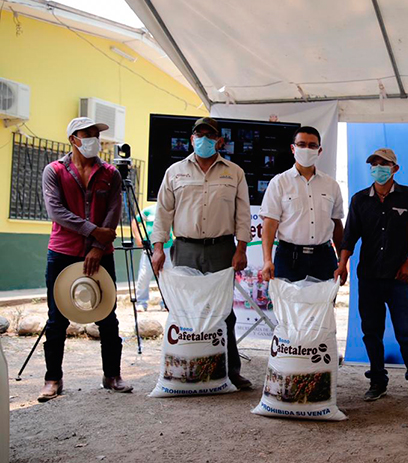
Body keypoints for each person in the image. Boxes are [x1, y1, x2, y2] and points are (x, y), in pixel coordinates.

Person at [151, 117, 252, 390]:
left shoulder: (234, 172)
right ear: (192, 138)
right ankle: (187, 369)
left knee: (223, 312)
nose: (204, 140)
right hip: (185, 249)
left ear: (220, 141)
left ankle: (230, 372)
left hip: (222, 249)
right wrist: (158, 248)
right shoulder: (175, 172)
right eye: (200, 134)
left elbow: (243, 214)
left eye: (210, 135)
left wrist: (241, 248)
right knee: (185, 310)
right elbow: (163, 212)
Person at [38, 117, 133, 401]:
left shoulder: (111, 174)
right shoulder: (54, 171)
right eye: (87, 134)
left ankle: (112, 375)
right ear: (73, 139)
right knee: (56, 319)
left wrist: (96, 247)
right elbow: (56, 211)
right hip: (62, 251)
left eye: (97, 134)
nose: (94, 139)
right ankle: (53, 379)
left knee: (108, 316)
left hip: (100, 254)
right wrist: (94, 232)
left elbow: (114, 211)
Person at [334, 148, 408, 401]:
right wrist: (342, 264)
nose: (379, 168)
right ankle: (377, 380)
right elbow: (349, 236)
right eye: (374, 165)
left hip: (398, 278)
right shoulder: (359, 200)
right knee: (371, 331)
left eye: (384, 164)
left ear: (395, 169)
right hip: (367, 277)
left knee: (407, 331)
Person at [260, 126, 344, 282]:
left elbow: (337, 224)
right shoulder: (279, 183)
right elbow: (270, 224)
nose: (307, 149)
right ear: (293, 148)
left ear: (319, 151)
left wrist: (342, 261)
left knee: (323, 305)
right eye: (302, 144)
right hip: (289, 258)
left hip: (324, 258)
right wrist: (267, 260)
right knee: (288, 306)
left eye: (312, 145)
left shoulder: (331, 185)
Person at [131, 203, 172, 311]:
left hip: (167, 247)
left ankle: (166, 302)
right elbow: (135, 221)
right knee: (144, 275)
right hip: (149, 247)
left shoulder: (171, 209)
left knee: (167, 276)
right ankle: (141, 302)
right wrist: (138, 238)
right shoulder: (148, 210)